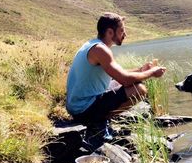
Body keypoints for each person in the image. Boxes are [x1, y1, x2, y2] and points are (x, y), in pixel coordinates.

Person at [66, 12, 166, 142]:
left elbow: (119, 73)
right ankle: (98, 123)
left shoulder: (94, 45)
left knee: (132, 84)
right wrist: (152, 73)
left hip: (78, 104)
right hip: (83, 110)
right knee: (140, 90)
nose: (125, 35)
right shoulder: (100, 50)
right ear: (110, 32)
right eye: (122, 31)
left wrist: (141, 70)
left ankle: (99, 120)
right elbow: (124, 79)